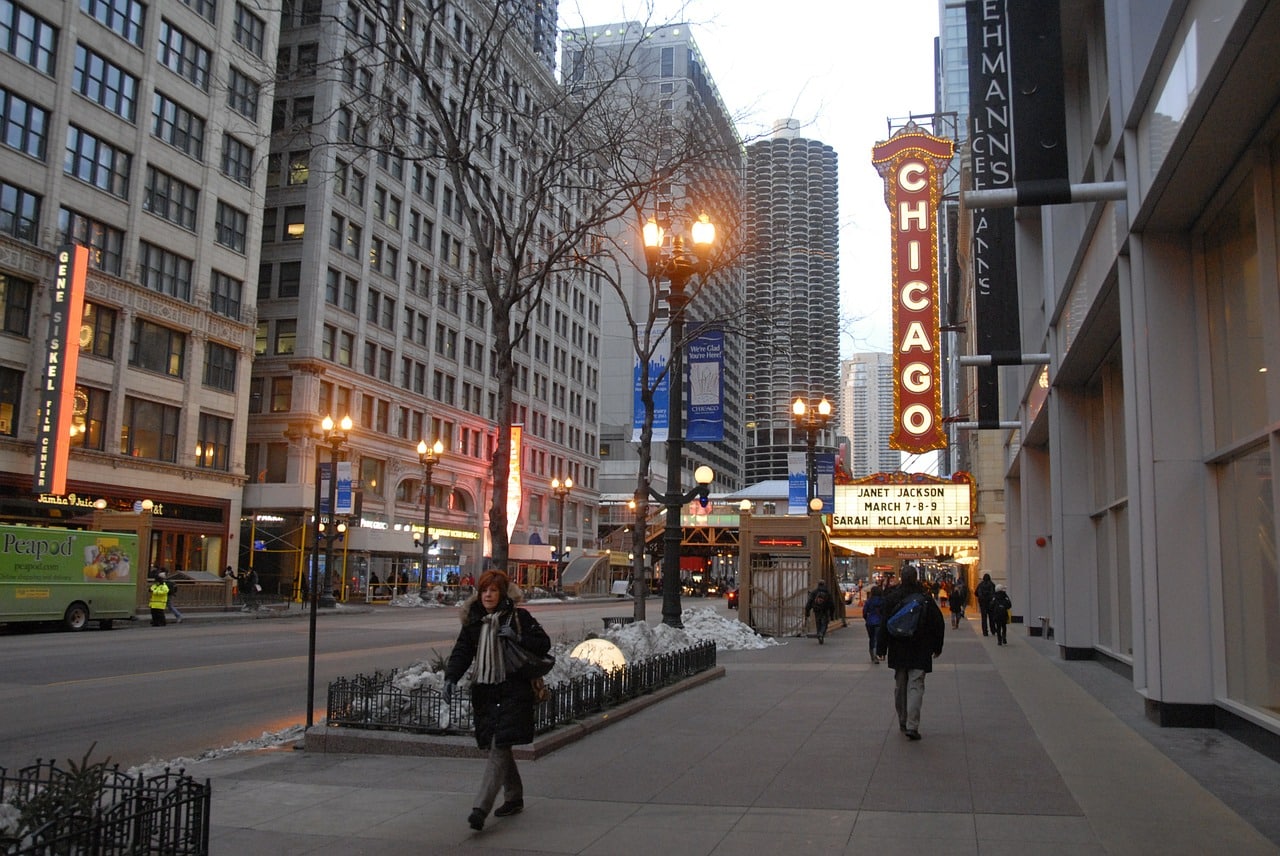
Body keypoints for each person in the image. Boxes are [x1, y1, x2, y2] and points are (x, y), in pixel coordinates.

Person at [443, 569, 551, 832]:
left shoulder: (518, 617)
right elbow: (462, 652)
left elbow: (543, 643)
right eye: (484, 590)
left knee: (499, 744)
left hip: (514, 689)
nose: (488, 595)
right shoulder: (474, 622)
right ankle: (514, 797)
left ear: (502, 593)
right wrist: (451, 677)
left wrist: (517, 636)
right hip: (486, 691)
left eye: (493, 590)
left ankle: (480, 808)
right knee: (497, 744)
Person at [875, 564, 945, 740]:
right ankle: (913, 725)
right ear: (916, 578)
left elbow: (884, 624)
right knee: (916, 686)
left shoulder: (892, 598)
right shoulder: (925, 599)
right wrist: (937, 646)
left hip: (898, 648)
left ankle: (903, 719)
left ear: (901, 577)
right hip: (921, 649)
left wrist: (881, 648)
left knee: (900, 686)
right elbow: (938, 623)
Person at [803, 579, 837, 644]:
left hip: (817, 610)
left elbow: (809, 602)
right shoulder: (827, 592)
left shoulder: (814, 592)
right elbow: (832, 604)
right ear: (824, 584)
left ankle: (819, 634)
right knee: (824, 624)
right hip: (825, 610)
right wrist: (832, 614)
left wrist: (807, 612)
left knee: (818, 623)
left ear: (818, 584)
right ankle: (821, 633)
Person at [862, 584, 886, 664]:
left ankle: (872, 653)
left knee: (871, 638)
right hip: (879, 621)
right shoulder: (883, 601)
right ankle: (876, 653)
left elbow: (865, 612)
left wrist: (866, 618)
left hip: (870, 622)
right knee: (877, 638)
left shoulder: (869, 601)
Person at [975, 572, 997, 637]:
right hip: (990, 604)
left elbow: (976, 593)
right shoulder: (992, 584)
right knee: (991, 617)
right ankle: (993, 630)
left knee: (984, 618)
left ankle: (985, 632)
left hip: (983, 604)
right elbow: (994, 593)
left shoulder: (980, 585)